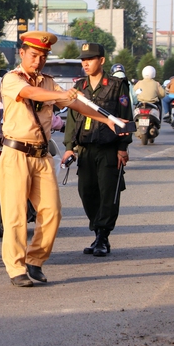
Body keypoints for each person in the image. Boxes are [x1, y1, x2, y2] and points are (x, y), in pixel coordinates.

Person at [0, 32, 123, 287]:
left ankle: (35, 260)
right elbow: (33, 94)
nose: (38, 61)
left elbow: (76, 106)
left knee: (52, 212)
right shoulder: (11, 79)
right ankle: (16, 268)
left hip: (41, 156)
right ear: (22, 54)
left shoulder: (48, 82)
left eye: (43, 57)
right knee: (16, 215)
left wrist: (106, 120)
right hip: (16, 155)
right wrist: (64, 95)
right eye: (34, 56)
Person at [61, 42, 133, 258]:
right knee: (86, 192)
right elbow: (73, 119)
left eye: (90, 59)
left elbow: (125, 115)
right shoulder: (79, 87)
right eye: (83, 60)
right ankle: (97, 230)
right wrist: (69, 147)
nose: (86, 63)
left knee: (107, 193)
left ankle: (103, 235)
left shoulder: (117, 85)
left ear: (101, 60)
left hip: (108, 149)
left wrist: (123, 147)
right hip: (84, 149)